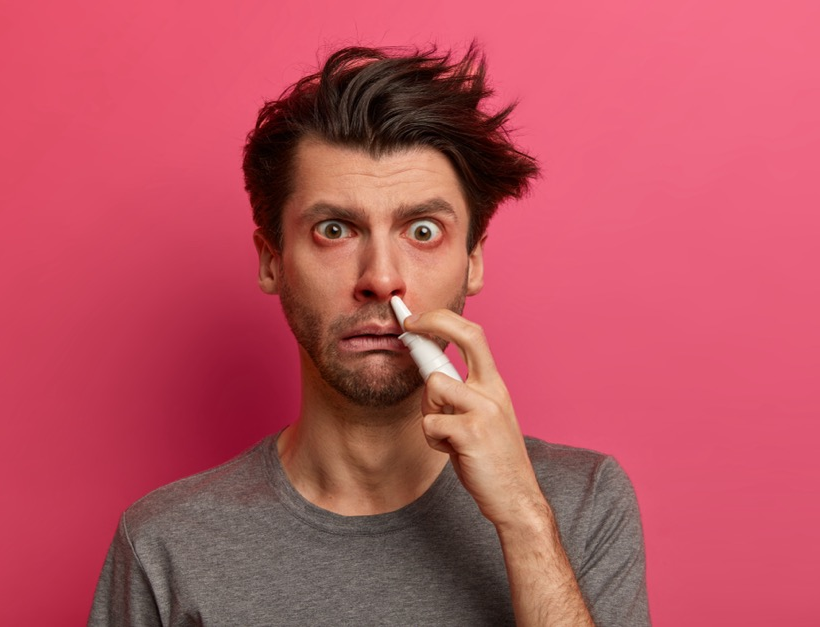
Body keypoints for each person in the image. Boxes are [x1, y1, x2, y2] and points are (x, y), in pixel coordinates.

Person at [88, 44, 650, 627]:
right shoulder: (165, 545)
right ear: (272, 261)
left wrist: (523, 520)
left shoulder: (580, 504)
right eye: (335, 229)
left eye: (423, 230)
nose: (381, 278)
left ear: (473, 261)